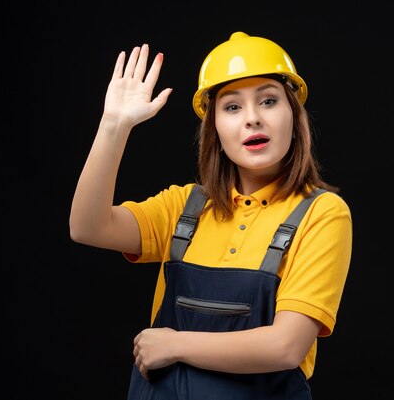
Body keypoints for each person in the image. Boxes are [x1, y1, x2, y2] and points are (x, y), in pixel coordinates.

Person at [69, 31, 353, 399]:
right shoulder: (185, 207)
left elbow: (286, 346)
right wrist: (114, 126)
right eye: (232, 107)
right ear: (215, 130)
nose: (252, 119)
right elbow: (87, 227)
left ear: (293, 116)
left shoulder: (322, 214)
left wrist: (175, 345)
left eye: (268, 101)